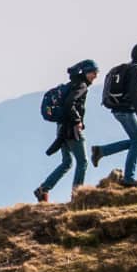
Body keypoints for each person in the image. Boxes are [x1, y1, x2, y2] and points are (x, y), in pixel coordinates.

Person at [35, 59, 98, 203]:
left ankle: (43, 189)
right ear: (85, 72)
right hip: (72, 129)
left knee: (67, 162)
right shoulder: (81, 86)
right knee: (83, 162)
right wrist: (77, 121)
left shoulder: (72, 84)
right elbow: (70, 103)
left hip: (62, 127)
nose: (95, 76)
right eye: (93, 72)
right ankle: (77, 196)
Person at [92, 43, 137, 187]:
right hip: (126, 110)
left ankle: (101, 151)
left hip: (117, 110)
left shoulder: (127, 68)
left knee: (134, 142)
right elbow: (134, 94)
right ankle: (128, 179)